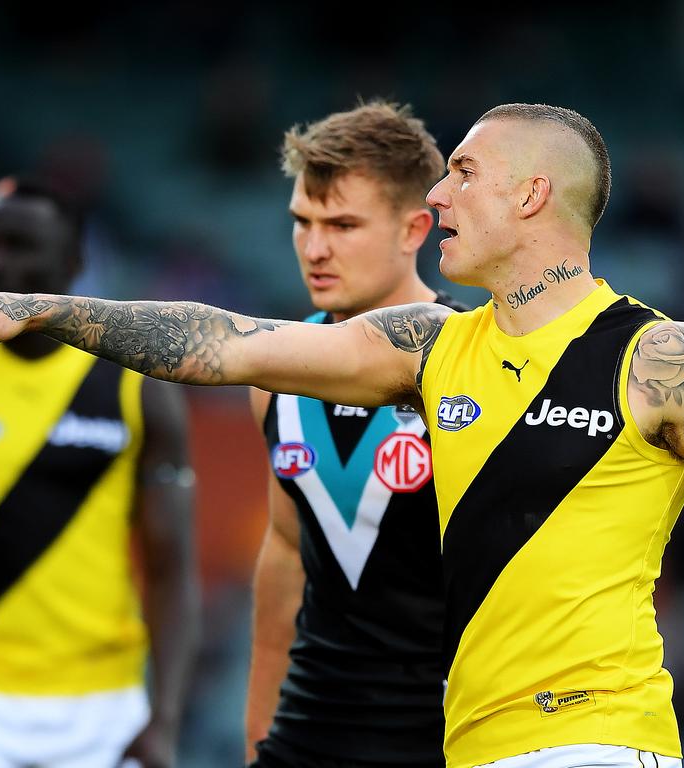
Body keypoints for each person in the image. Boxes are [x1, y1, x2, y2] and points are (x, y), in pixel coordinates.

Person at [0, 104, 684, 768]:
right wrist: (39, 308)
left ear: (530, 196)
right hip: (469, 745)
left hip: (599, 740)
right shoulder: (428, 346)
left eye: (462, 173)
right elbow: (223, 343)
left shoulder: (666, 359)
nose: (436, 195)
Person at [0, 177, 200, 768]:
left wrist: (163, 721)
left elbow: (170, 572)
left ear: (75, 259)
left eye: (19, 244)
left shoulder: (136, 388)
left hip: (106, 710)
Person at [244, 101, 465, 767]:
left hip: (448, 738)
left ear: (415, 228)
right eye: (302, 223)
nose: (314, 249)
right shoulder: (276, 372)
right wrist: (257, 740)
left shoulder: (475, 365)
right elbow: (285, 555)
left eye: (342, 225)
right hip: (308, 733)